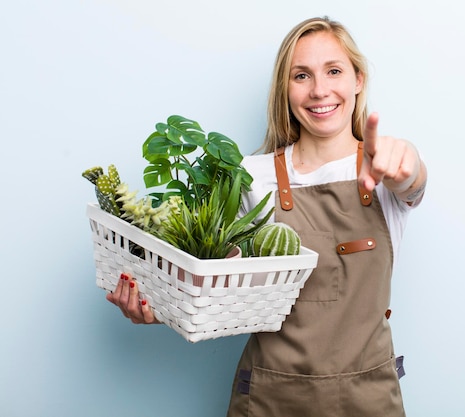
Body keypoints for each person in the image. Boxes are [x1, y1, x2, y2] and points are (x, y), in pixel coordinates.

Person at [107, 16, 427, 417]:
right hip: (268, 398)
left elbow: (412, 180)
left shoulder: (384, 170)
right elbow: (221, 290)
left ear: (357, 79)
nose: (319, 90)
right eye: (301, 76)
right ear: (285, 89)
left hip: (368, 399)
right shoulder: (250, 177)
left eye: (333, 71)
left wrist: (407, 163)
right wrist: (161, 308)